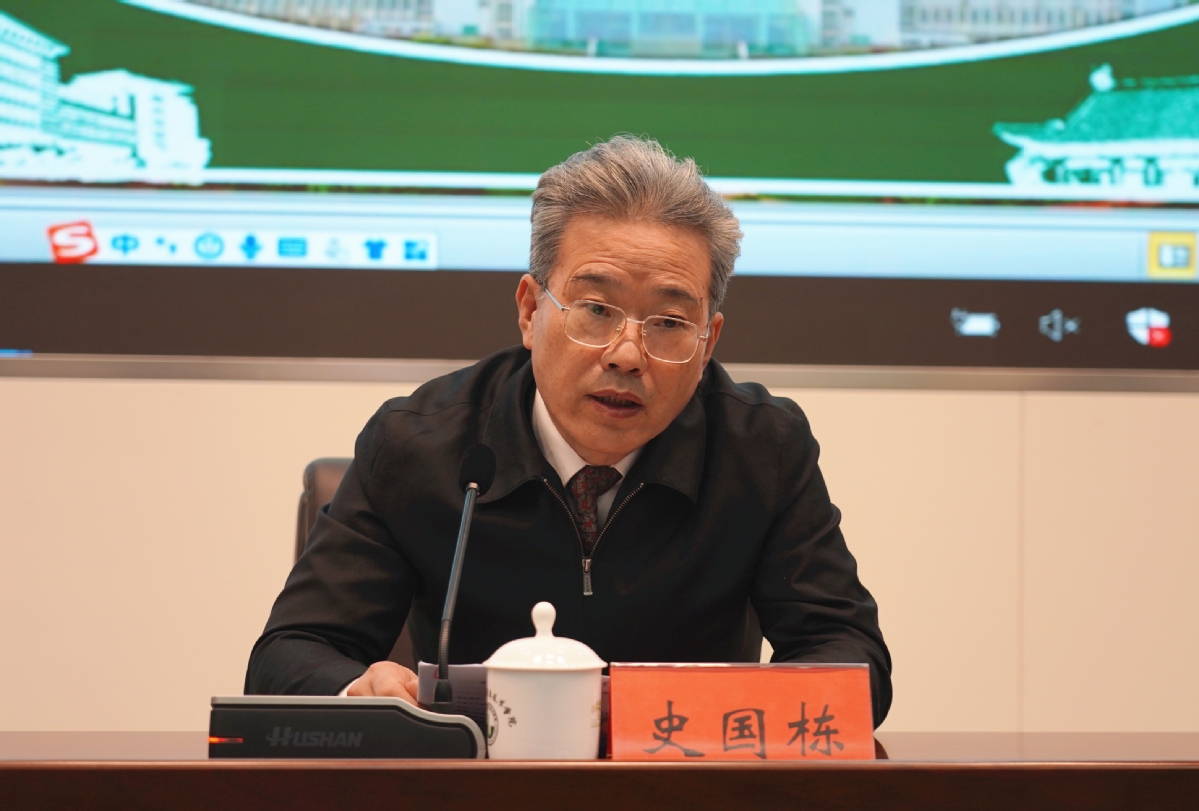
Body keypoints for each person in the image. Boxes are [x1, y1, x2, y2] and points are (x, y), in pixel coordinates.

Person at [246, 136, 892, 726]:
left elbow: (850, 655)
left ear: (707, 342)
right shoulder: (420, 444)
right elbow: (291, 652)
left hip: (680, 784)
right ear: (531, 311)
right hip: (475, 787)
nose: (627, 354)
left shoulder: (760, 448)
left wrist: (745, 715)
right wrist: (359, 690)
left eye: (669, 323)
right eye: (595, 309)